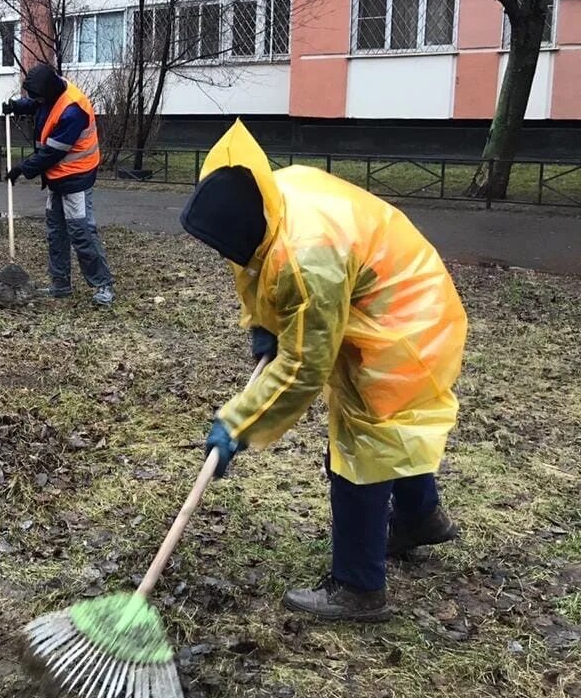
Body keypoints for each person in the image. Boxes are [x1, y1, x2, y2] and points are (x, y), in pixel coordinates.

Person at [181, 120, 467, 622]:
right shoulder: (269, 195)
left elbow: (302, 369)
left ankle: (358, 588)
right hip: (399, 291)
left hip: (406, 322)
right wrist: (263, 325)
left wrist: (239, 423)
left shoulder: (307, 258)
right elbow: (254, 269)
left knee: (362, 444)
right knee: (392, 430)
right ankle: (421, 519)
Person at [3, 63, 115, 306]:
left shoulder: (73, 111)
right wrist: (16, 106)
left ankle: (102, 285)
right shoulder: (52, 91)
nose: (37, 100)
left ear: (49, 92)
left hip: (76, 177)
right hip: (56, 177)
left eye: (38, 96)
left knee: (81, 232)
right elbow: (38, 104)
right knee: (56, 232)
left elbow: (51, 153)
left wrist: (23, 168)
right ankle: (60, 283)